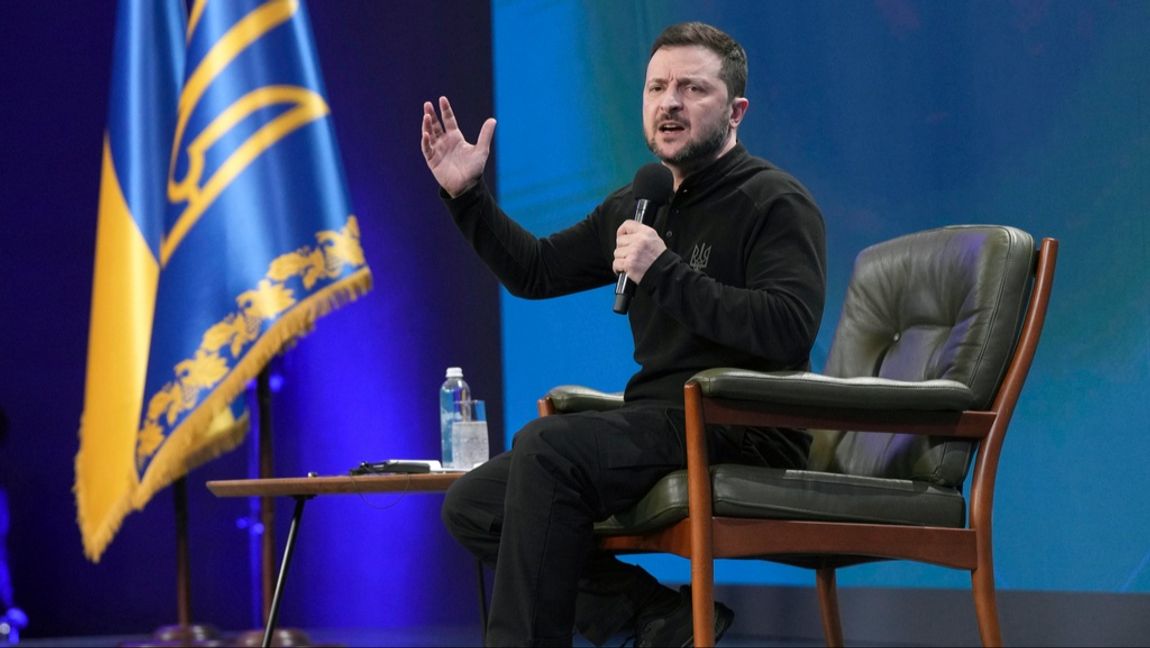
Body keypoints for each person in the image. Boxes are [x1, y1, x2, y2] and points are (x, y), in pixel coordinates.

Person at [421, 22, 826, 647]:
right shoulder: (639, 204)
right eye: (657, 87)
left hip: (741, 424)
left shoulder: (774, 201)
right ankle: (655, 617)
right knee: (475, 505)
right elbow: (535, 271)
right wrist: (468, 196)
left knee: (548, 450)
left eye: (692, 88)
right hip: (663, 420)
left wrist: (662, 272)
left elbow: (787, 327)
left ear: (736, 110)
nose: (669, 102)